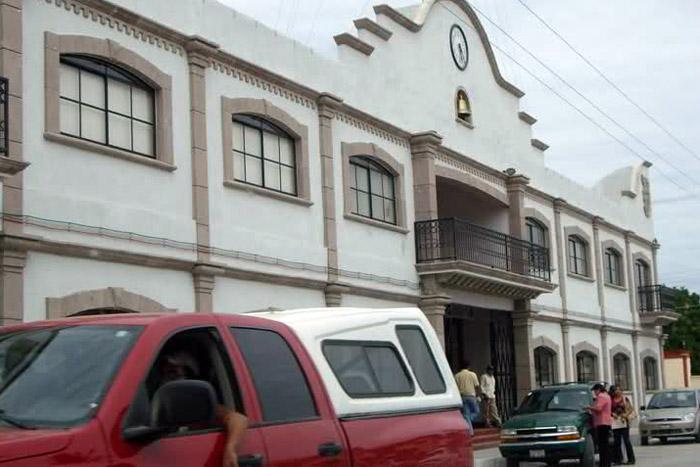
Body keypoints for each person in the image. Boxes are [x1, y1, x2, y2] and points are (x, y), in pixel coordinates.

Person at [157, 349, 248, 467]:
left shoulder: (199, 407)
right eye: (164, 372)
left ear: (191, 379)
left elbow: (239, 419)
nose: (167, 379)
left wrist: (231, 449)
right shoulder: (150, 407)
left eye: (173, 372)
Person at [586, 383, 613, 467]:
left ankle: (604, 463)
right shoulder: (607, 396)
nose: (594, 393)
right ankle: (606, 463)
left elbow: (598, 408)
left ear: (598, 390)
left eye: (595, 391)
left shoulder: (601, 396)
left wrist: (589, 407)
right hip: (606, 422)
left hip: (602, 423)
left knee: (602, 445)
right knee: (605, 444)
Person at [611, 386, 636, 465]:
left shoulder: (625, 399)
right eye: (616, 390)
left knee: (626, 441)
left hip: (624, 421)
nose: (617, 391)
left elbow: (630, 409)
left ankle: (631, 459)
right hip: (615, 422)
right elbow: (609, 410)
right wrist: (612, 414)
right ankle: (618, 459)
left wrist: (625, 415)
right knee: (617, 441)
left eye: (619, 390)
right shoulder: (611, 400)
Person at [454, 359, 480, 426]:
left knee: (466, 413)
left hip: (462, 396)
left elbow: (455, 387)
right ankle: (468, 418)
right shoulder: (472, 374)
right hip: (471, 396)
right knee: (476, 411)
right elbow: (477, 386)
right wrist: (478, 396)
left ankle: (469, 428)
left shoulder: (457, 376)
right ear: (468, 366)